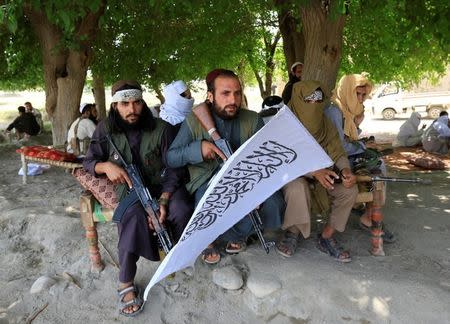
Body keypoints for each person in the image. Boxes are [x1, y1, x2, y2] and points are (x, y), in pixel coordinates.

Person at [83, 80, 193, 317]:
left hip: (164, 186)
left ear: (142, 103)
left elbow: (176, 166)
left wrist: (163, 199)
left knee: (182, 208)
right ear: (115, 106)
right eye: (125, 104)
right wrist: (105, 166)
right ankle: (125, 282)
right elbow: (89, 161)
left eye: (136, 102)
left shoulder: (162, 128)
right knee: (132, 219)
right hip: (131, 190)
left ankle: (170, 254)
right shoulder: (104, 130)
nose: (131, 109)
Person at [167, 69, 284, 265]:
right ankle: (208, 240)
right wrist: (199, 149)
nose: (233, 99)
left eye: (237, 93)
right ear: (210, 96)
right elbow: (171, 157)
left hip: (245, 175)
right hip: (207, 179)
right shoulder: (195, 121)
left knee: (271, 200)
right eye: (225, 93)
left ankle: (240, 234)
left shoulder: (252, 119)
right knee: (212, 203)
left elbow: (265, 156)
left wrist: (256, 187)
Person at [276, 80, 358, 262]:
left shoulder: (325, 124)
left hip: (324, 176)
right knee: (297, 187)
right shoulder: (283, 124)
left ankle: (327, 237)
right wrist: (314, 172)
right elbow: (284, 160)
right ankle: (292, 233)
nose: (313, 106)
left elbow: (337, 151)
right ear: (298, 101)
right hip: (292, 176)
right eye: (309, 101)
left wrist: (345, 170)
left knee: (349, 190)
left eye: (317, 101)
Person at [324, 74, 396, 243]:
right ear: (347, 91)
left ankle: (369, 214)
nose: (362, 99)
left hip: (346, 155)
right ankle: (369, 216)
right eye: (358, 94)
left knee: (377, 161)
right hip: (336, 162)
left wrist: (358, 128)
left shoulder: (347, 108)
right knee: (377, 165)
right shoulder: (334, 111)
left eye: (364, 95)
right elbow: (339, 147)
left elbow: (350, 136)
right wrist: (363, 146)